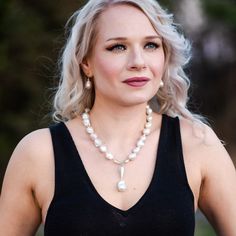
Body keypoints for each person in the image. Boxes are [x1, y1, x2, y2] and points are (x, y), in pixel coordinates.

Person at [0, 0, 236, 235]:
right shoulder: (38, 153)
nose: (138, 62)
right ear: (86, 63)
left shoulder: (197, 144)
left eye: (151, 45)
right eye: (118, 47)